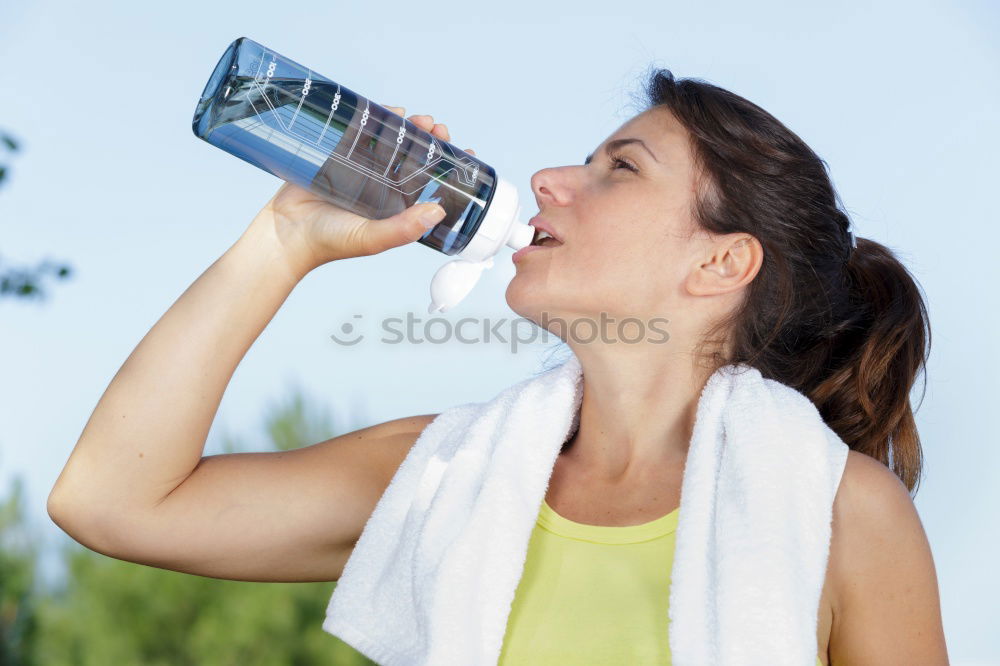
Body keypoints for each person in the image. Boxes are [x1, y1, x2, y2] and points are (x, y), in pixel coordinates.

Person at [48, 68, 949, 664]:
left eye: (620, 169)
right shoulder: (448, 474)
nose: (553, 178)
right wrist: (281, 242)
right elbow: (109, 503)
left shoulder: (841, 512)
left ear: (720, 263)